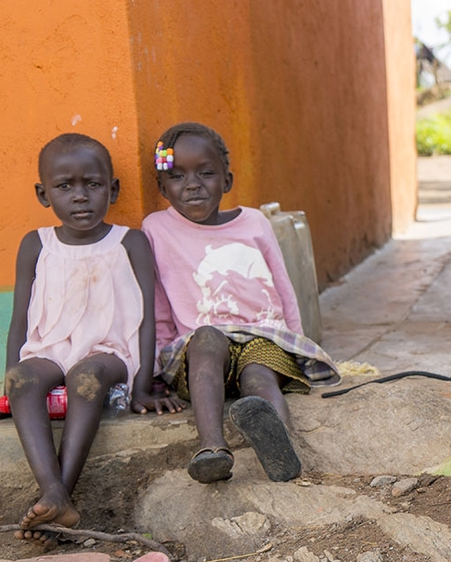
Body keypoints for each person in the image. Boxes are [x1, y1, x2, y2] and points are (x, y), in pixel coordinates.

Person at [0, 134, 182, 545]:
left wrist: (143, 387)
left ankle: (60, 494)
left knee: (86, 376)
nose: (80, 197)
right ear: (43, 194)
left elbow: (146, 318)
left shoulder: (130, 242)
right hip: (50, 349)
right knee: (22, 378)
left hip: (111, 351)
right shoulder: (35, 245)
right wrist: (4, 396)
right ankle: (55, 496)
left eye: (92, 185)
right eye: (65, 187)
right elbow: (19, 323)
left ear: (112, 190)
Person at [144, 122, 339, 484]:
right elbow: (157, 303)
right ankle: (213, 449)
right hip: (201, 349)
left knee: (259, 375)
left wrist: (298, 342)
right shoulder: (156, 229)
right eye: (178, 177)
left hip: (263, 337)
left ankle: (280, 446)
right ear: (161, 187)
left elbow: (284, 288)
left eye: (205, 173)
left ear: (227, 181)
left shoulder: (254, 222)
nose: (192, 184)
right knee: (206, 338)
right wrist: (159, 366)